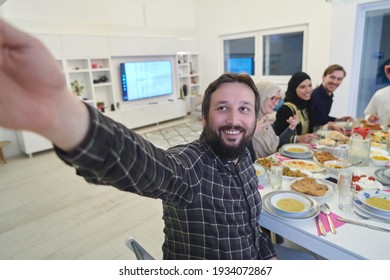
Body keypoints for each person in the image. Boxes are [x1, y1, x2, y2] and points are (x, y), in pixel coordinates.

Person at [0, 20, 316, 260]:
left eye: (243, 109)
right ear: (204, 118)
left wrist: (268, 255)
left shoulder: (245, 156)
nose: (234, 119)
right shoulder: (190, 168)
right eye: (222, 108)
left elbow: (249, 229)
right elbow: (145, 165)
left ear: (254, 117)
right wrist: (58, 113)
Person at [248, 81, 299, 161]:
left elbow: (276, 144)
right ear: (261, 97)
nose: (276, 103)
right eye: (272, 98)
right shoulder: (249, 120)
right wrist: (250, 135)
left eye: (278, 99)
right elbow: (239, 155)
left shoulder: (264, 118)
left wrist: (291, 127)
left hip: (271, 165)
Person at [274, 72, 316, 144]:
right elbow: (277, 139)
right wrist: (298, 138)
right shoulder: (285, 109)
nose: (308, 90)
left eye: (310, 85)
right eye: (303, 87)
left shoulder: (308, 104)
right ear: (294, 89)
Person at [310, 64, 352, 134]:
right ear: (323, 77)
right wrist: (330, 125)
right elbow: (312, 126)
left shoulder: (329, 96)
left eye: (339, 79)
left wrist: (338, 120)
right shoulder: (313, 96)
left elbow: (322, 118)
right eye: (332, 77)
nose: (335, 82)